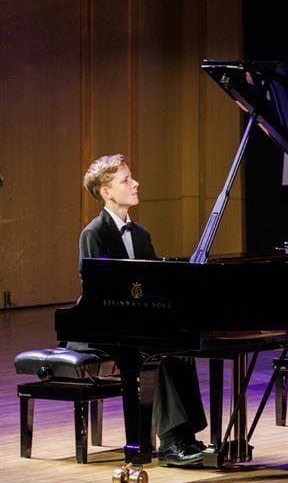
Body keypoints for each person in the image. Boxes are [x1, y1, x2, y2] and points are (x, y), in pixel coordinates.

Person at [80, 154, 207, 467]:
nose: (135, 183)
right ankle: (171, 442)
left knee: (180, 347)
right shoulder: (94, 234)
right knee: (155, 352)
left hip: (136, 322)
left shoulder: (141, 234)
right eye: (125, 180)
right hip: (103, 325)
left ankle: (186, 435)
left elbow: (153, 285)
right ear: (106, 192)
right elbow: (98, 291)